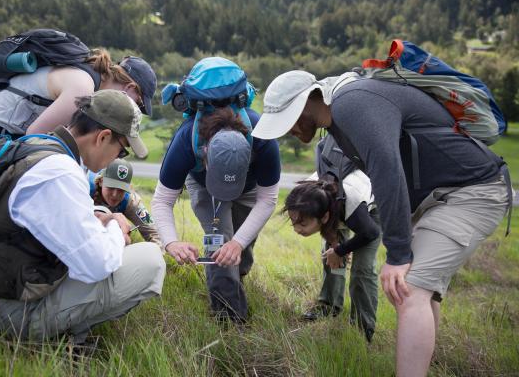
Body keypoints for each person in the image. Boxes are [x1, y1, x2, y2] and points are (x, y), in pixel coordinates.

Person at [252, 70, 510, 376]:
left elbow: (387, 170)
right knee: (422, 289)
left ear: (309, 101)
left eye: (289, 119)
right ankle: (428, 363)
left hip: (470, 191)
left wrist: (399, 254)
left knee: (410, 288)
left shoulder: (353, 104)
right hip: (438, 199)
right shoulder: (336, 126)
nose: (288, 131)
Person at [0, 89, 166, 344]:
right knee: (150, 260)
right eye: (122, 151)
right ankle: (64, 337)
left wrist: (98, 217)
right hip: (11, 311)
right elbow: (97, 265)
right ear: (103, 137)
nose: (118, 158)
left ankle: (65, 331)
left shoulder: (41, 147)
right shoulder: (61, 172)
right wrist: (114, 226)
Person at [152, 102, 281, 323]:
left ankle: (237, 279)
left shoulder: (264, 138)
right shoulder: (185, 141)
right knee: (220, 247)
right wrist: (171, 242)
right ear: (205, 153)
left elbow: (268, 199)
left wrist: (239, 243)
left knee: (241, 248)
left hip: (249, 187)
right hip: (204, 186)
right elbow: (162, 200)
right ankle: (229, 320)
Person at [0, 48, 156, 157]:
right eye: (139, 104)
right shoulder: (83, 87)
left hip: (6, 127)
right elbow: (34, 139)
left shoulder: (92, 80)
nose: (135, 110)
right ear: (130, 87)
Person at [284, 135, 381, 342]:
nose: (296, 229)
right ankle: (329, 306)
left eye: (302, 224)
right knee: (329, 254)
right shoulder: (310, 194)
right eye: (294, 222)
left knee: (362, 270)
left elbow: (370, 233)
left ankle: (362, 330)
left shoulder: (353, 206)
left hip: (370, 210)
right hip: (335, 205)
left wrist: (341, 250)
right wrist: (335, 248)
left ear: (324, 216)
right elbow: (327, 227)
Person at [89, 158, 162, 249]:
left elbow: (154, 233)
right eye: (111, 187)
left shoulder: (131, 201)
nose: (115, 195)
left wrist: (156, 254)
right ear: (100, 182)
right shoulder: (85, 188)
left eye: (121, 190)